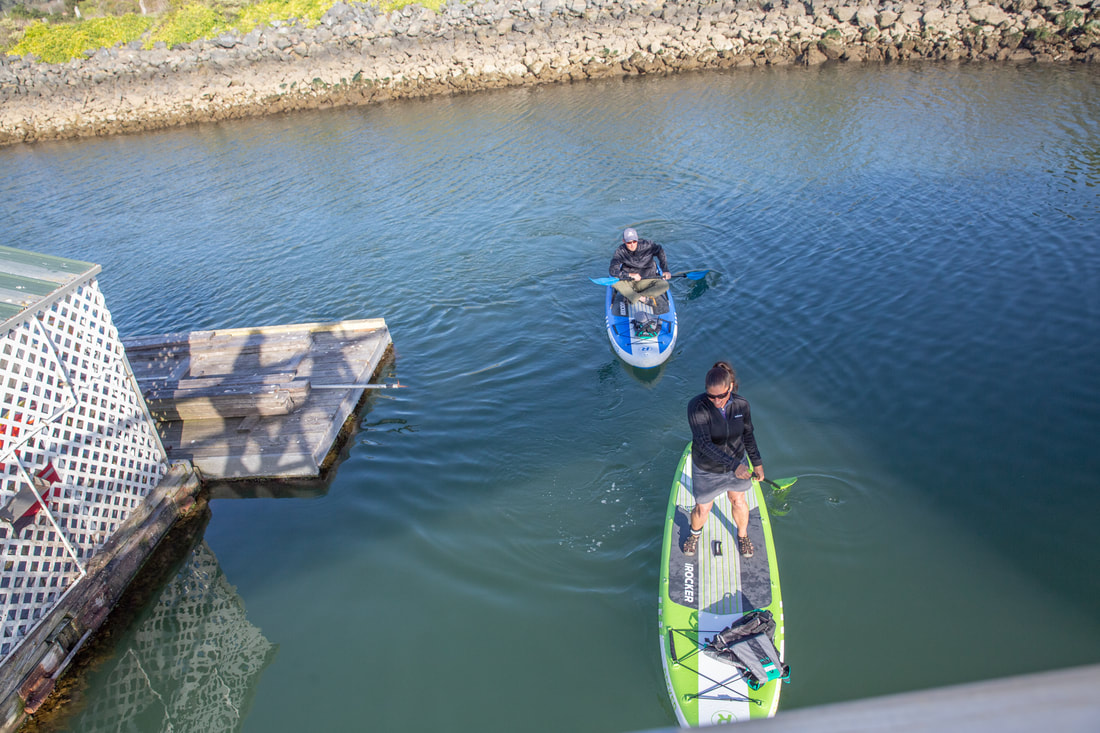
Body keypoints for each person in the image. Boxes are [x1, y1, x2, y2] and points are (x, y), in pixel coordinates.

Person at [682, 361, 765, 558]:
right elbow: (703, 443)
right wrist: (735, 465)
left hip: (737, 463)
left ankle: (743, 536)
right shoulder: (697, 407)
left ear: (730, 387)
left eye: (721, 395)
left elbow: (748, 435)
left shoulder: (741, 405)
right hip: (707, 468)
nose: (717, 401)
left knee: (738, 500)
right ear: (706, 391)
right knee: (703, 509)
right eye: (711, 396)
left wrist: (758, 463)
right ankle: (695, 534)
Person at [609, 228, 672, 305]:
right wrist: (630, 275)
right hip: (629, 281)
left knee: (664, 285)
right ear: (624, 241)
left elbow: (660, 251)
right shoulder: (620, 251)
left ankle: (632, 296)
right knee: (614, 281)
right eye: (629, 242)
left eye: (634, 241)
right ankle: (641, 298)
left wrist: (665, 269)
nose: (632, 245)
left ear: (637, 238)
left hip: (647, 280)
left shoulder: (648, 245)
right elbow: (612, 270)